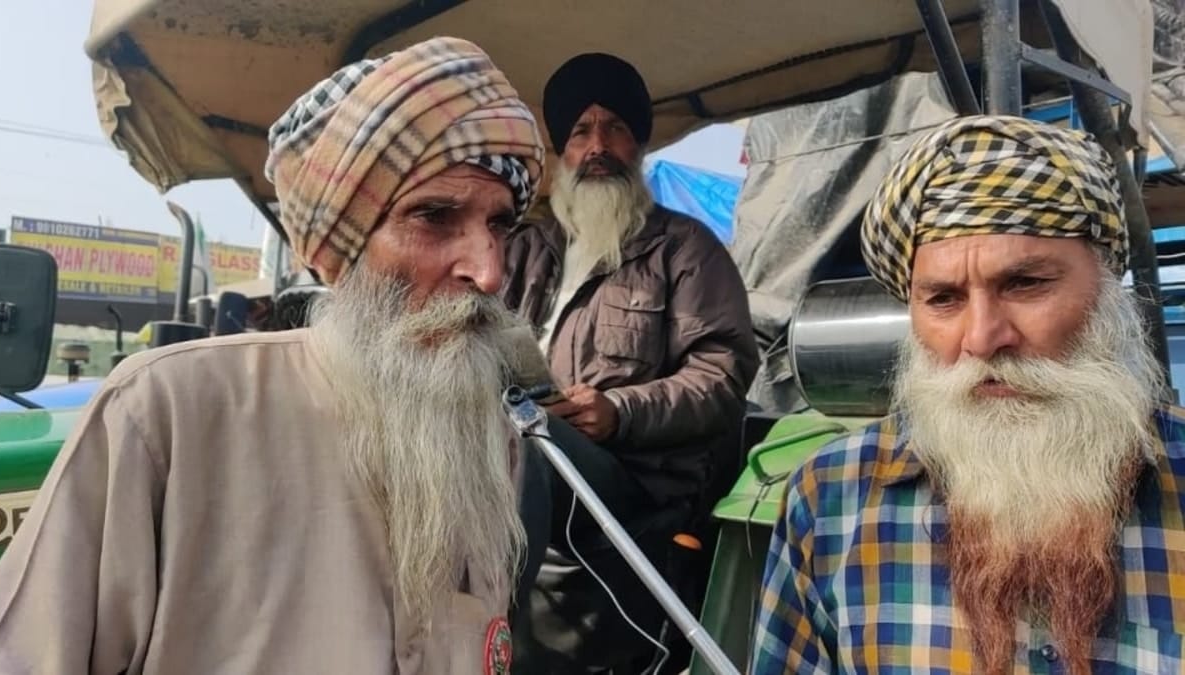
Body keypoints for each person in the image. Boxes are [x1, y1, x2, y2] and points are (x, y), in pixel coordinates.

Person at [0, 36, 544, 675]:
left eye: (499, 225)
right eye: (434, 217)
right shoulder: (167, 410)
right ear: (341, 247)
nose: (489, 270)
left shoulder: (493, 432)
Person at [750, 115, 1185, 674]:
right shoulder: (831, 499)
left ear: (1107, 286)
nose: (982, 338)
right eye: (943, 299)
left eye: (1025, 284)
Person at [502, 52, 758, 670]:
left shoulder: (685, 249)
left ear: (637, 144)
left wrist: (619, 410)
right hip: (518, 452)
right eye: (582, 130)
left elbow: (722, 371)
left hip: (635, 479)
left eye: (615, 127)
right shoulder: (522, 249)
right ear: (561, 149)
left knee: (534, 457)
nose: (598, 145)